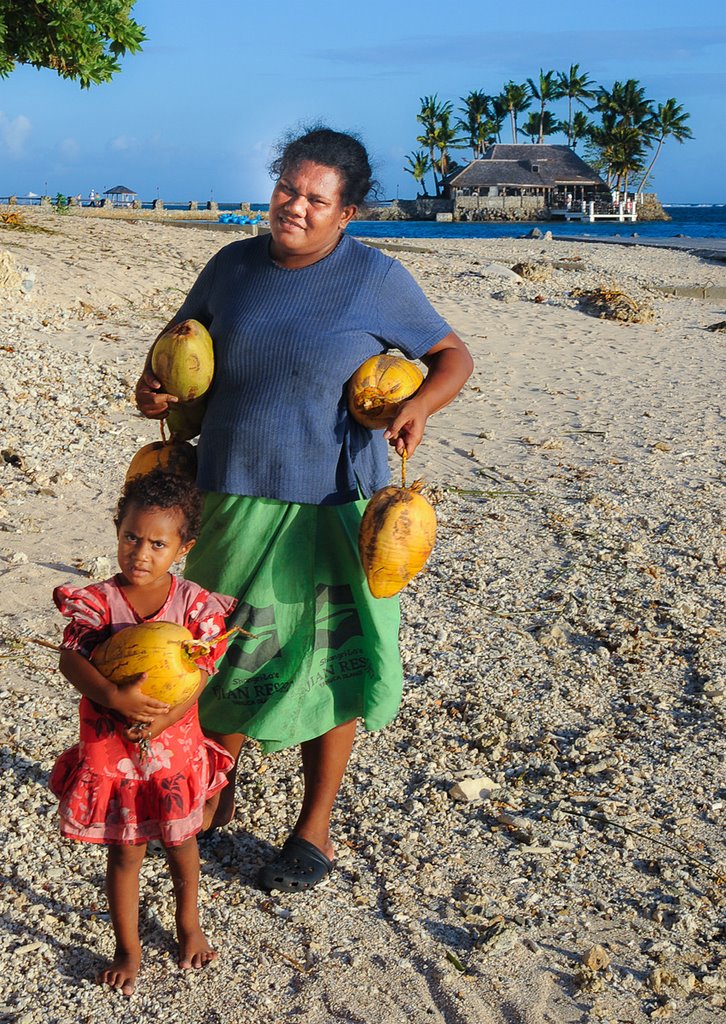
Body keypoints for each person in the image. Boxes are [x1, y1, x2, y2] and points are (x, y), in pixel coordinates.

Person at [135, 126, 474, 894]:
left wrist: (418, 404)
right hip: (228, 494)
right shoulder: (232, 266)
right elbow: (172, 352)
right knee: (217, 656)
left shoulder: (375, 279)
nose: (295, 206)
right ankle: (215, 796)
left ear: (347, 211)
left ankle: (312, 829)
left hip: (333, 503)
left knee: (330, 667)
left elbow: (454, 356)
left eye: (316, 199)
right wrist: (151, 391)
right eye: (288, 188)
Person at [49, 470, 236, 995]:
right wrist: (113, 697)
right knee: (126, 850)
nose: (141, 553)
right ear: (117, 530)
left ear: (183, 547)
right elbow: (71, 658)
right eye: (132, 537)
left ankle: (188, 925)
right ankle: (127, 949)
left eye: (158, 543)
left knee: (182, 841)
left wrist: (169, 715)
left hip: (172, 750)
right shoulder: (99, 602)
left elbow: (202, 670)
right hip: (115, 755)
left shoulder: (193, 605)